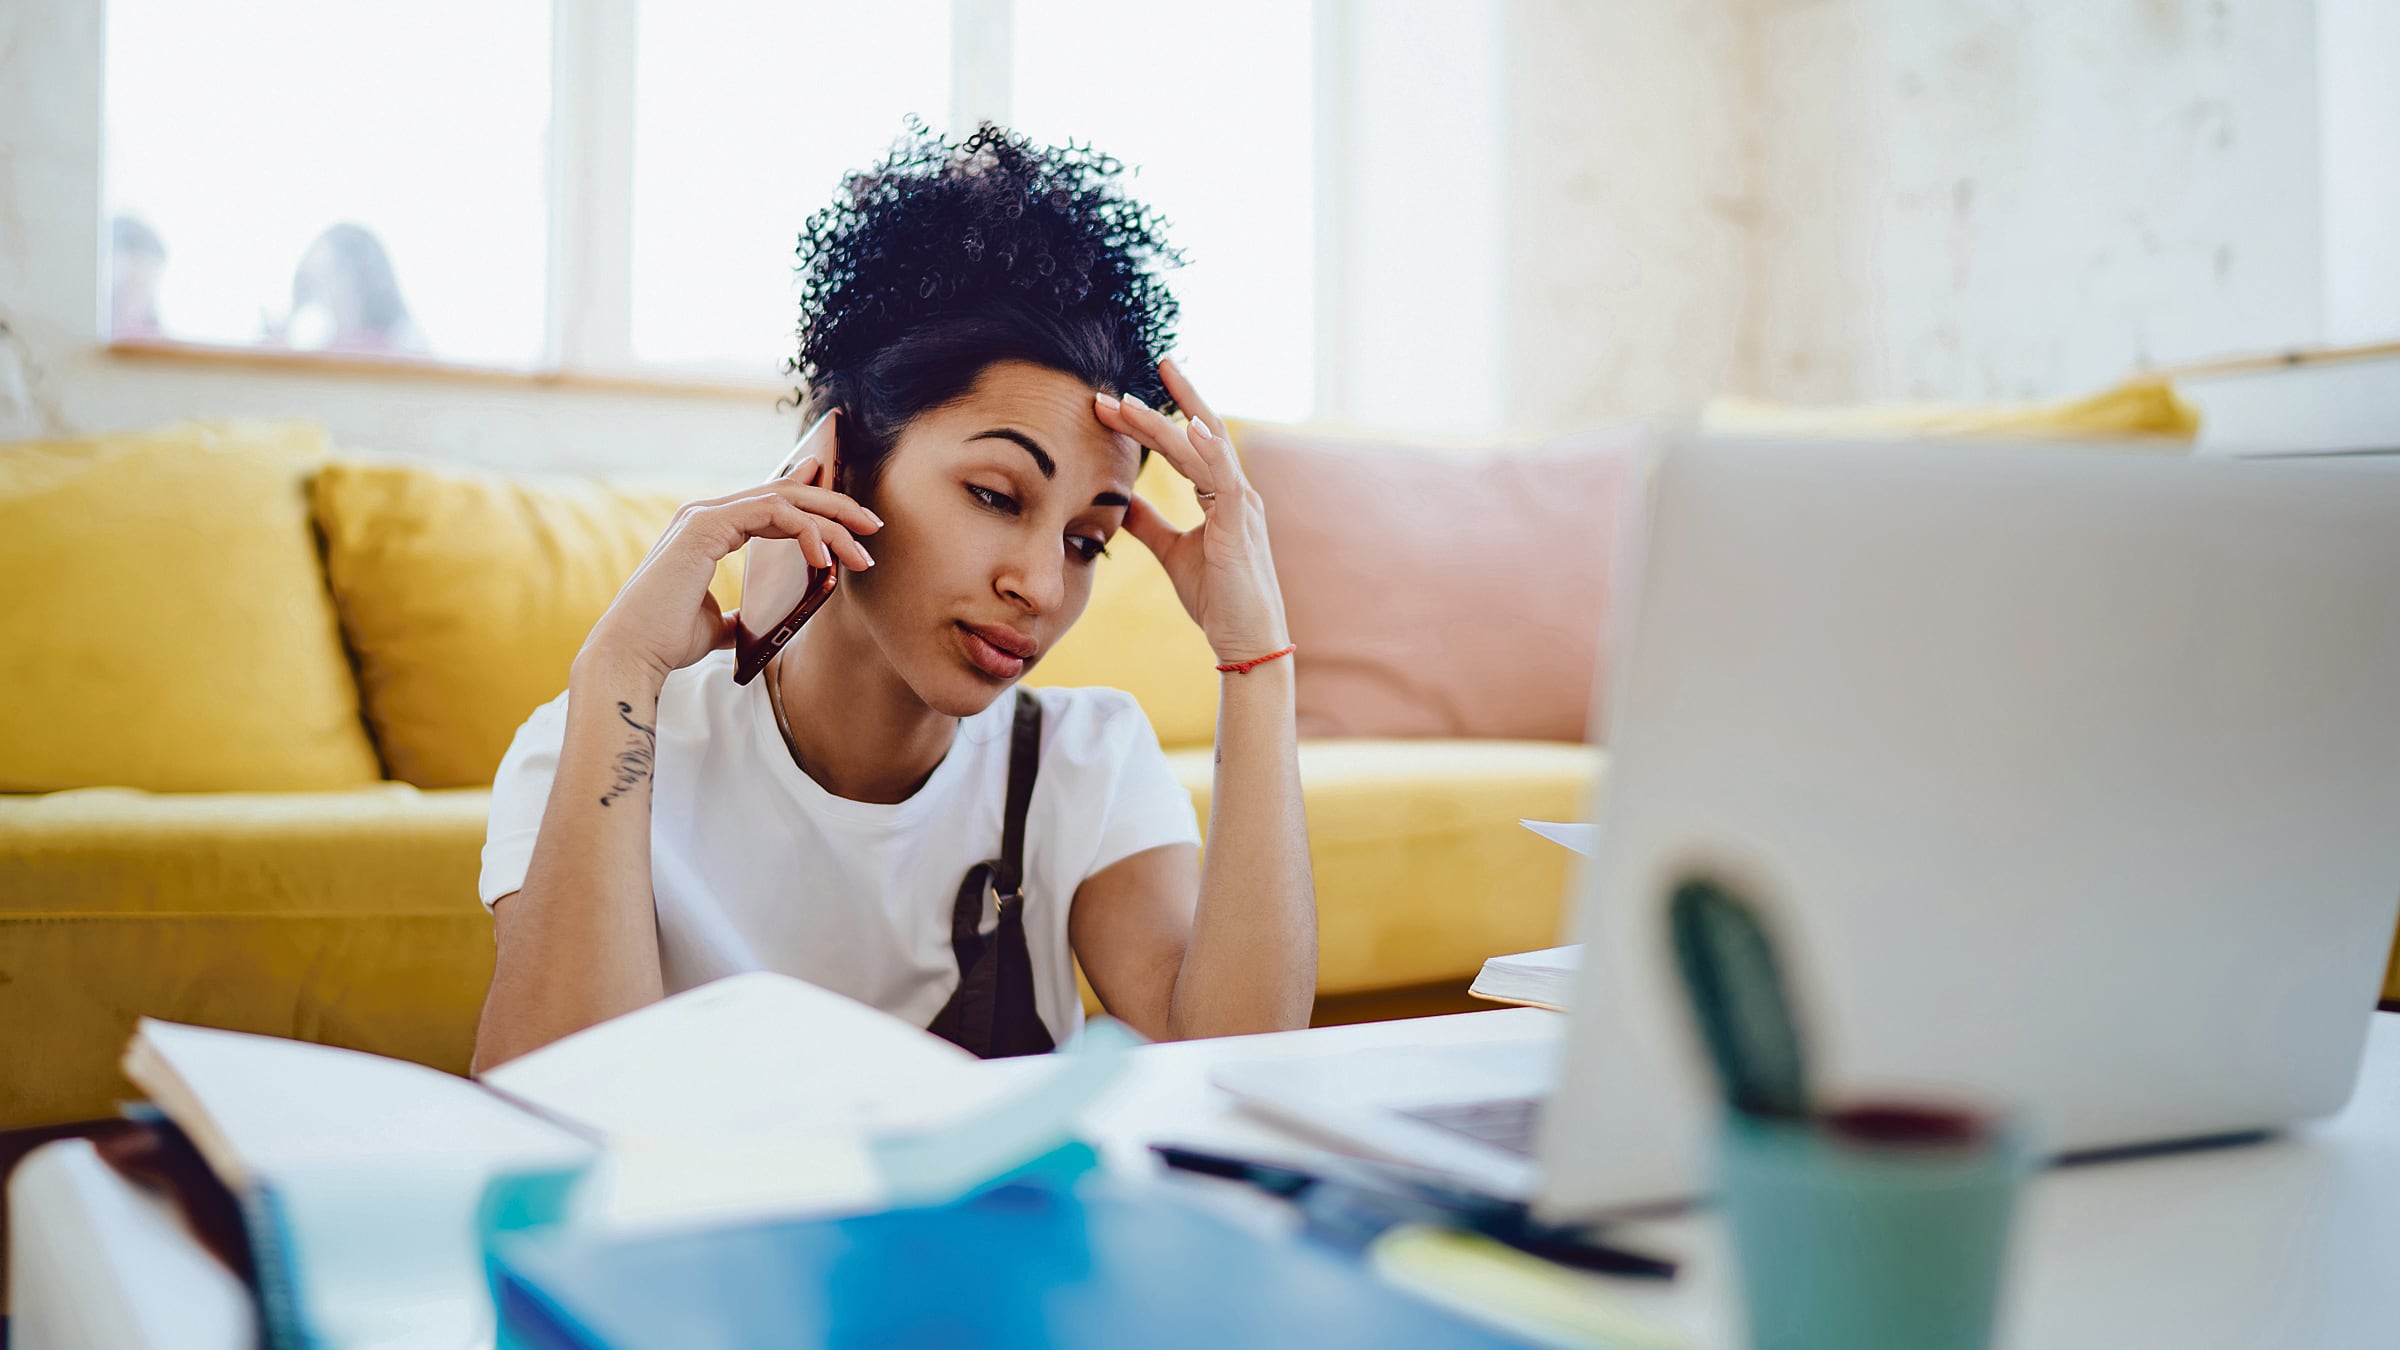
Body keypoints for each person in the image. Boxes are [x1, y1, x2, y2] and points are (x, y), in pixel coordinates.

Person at [471, 124, 1316, 1070]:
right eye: (996, 496)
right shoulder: (601, 743)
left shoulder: (1084, 764)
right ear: (837, 467)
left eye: (1088, 542)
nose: (1039, 587)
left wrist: (1257, 659)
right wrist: (619, 669)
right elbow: (551, 1106)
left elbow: (1235, 1064)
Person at [281, 222, 428, 354]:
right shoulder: (318, 355)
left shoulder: (403, 352)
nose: (324, 298)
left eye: (328, 277)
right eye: (314, 285)